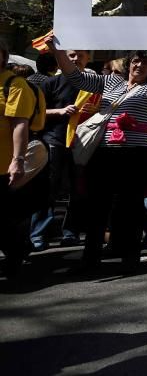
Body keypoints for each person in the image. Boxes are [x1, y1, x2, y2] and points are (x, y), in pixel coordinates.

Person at [48, 35, 147, 275]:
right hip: (104, 154)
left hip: (137, 156)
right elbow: (74, 76)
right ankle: (90, 258)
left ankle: (129, 257)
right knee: (98, 207)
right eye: (136, 61)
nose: (139, 66)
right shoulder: (109, 82)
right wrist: (57, 50)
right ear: (130, 63)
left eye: (145, 64)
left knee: (131, 207)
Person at [30, 49, 88, 251]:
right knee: (47, 190)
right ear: (61, 58)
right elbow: (34, 112)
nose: (75, 59)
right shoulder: (49, 83)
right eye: (71, 55)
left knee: (77, 190)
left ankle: (70, 232)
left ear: (87, 58)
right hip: (54, 141)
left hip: (82, 144)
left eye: (80, 55)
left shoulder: (94, 84)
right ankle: (38, 234)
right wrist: (60, 111)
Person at [0, 40, 43, 279]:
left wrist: (17, 160)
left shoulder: (14, 85)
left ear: (3, 56)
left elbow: (20, 124)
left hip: (3, 165)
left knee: (6, 220)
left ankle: (15, 257)